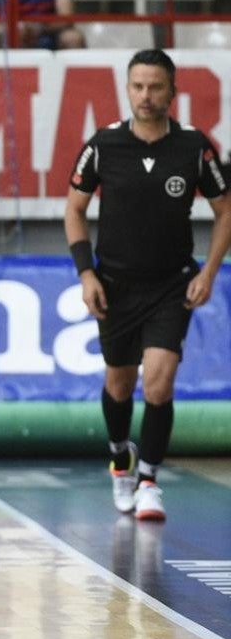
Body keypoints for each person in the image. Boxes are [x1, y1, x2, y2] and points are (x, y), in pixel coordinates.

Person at [65, 49, 231, 522]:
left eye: (155, 86)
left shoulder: (194, 147)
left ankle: (151, 480)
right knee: (119, 384)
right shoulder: (103, 145)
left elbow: (225, 212)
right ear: (128, 88)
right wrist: (86, 273)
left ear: (172, 92)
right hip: (115, 286)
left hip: (170, 286)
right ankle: (121, 457)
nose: (146, 95)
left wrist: (209, 272)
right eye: (138, 86)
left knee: (159, 383)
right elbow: (73, 210)